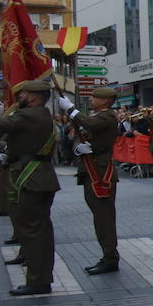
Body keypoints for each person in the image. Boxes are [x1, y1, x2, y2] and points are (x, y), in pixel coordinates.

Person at [0, 77, 61, 296]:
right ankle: (40, 277)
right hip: (39, 176)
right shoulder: (40, 114)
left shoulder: (29, 114)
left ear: (33, 97)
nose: (18, 97)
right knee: (39, 230)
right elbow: (19, 140)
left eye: (22, 94)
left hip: (31, 178)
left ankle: (38, 280)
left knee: (33, 231)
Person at [60, 86, 125, 273]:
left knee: (104, 218)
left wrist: (70, 109)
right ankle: (107, 255)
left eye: (94, 97)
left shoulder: (107, 116)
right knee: (99, 216)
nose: (90, 100)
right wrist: (78, 148)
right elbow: (86, 134)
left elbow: (89, 124)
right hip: (92, 167)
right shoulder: (98, 116)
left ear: (104, 101)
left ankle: (110, 258)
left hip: (100, 171)